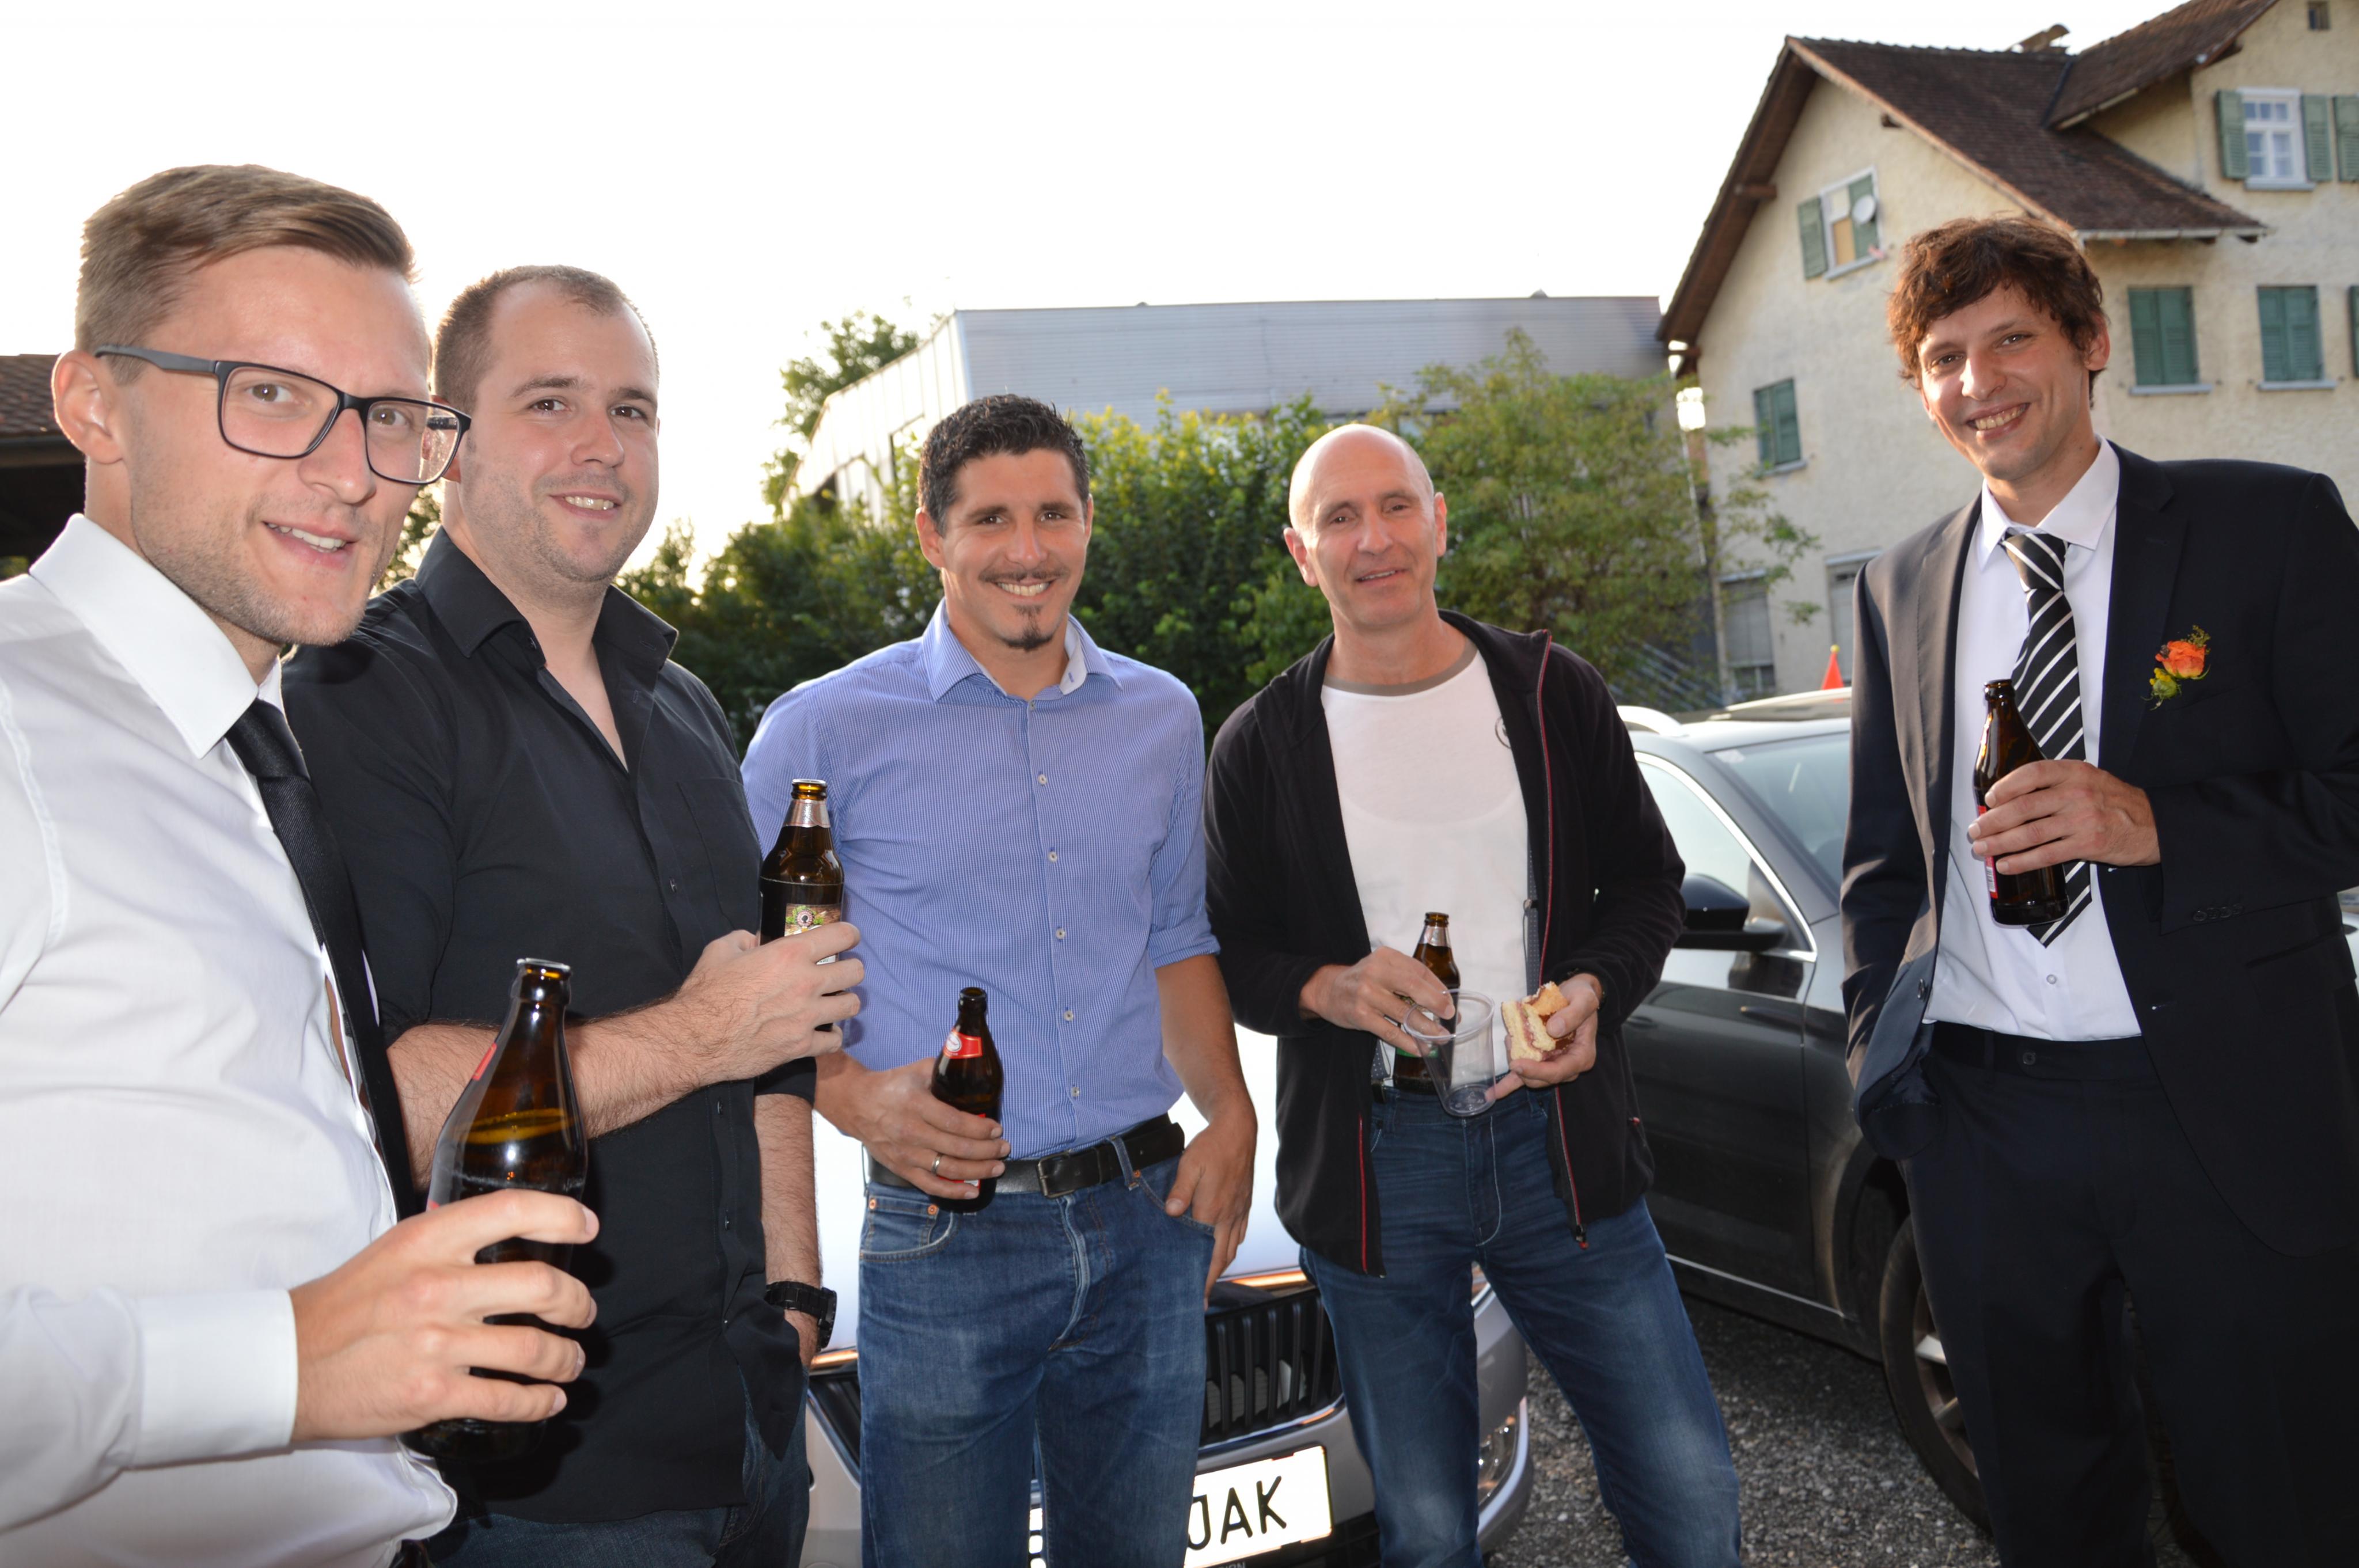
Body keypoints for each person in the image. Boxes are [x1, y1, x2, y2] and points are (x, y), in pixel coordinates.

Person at [0, 165, 596, 1567]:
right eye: (269, 393)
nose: (355, 473)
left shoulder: (247, 747)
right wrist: (284, 1359)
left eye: (390, 415)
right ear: (94, 404)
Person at [283, 265, 849, 1566]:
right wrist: (700, 1035)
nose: (602, 445)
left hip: (752, 1425)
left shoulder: (684, 706)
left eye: (632, 409)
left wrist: (795, 1287)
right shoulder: (360, 695)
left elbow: (772, 1034)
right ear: (449, 440)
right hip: (548, 1486)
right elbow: (368, 1096)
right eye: (551, 403)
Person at [1843, 214, 2359, 1566]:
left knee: (2277, 1506)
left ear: (2088, 341)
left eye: (2009, 338)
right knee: (2047, 1516)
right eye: (1941, 357)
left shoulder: (2266, 527)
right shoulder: (1898, 586)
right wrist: (1884, 1060)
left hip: (2218, 1110)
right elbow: (1882, 864)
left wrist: (2155, 824)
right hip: (1982, 1126)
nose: (1976, 382)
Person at [1203, 424, 1743, 1568]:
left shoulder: (1549, 692)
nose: (1374, 539)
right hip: (1376, 1167)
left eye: (1395, 506)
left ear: (1438, 522)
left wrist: (1595, 989)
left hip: (1558, 1146)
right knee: (1429, 1529)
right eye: (1339, 518)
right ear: (1301, 553)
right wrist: (1326, 987)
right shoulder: (1262, 743)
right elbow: (1230, 954)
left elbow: (1648, 885)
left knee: (1689, 1492)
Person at [740, 393, 1256, 1568]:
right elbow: (741, 971)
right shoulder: (823, 731)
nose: (1028, 551)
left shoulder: (1164, 716)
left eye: (1053, 515)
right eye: (990, 520)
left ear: (1088, 523)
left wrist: (1233, 1115)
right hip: (946, 1234)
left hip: (1147, 1221)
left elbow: (1177, 940)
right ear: (932, 535)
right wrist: (847, 1097)